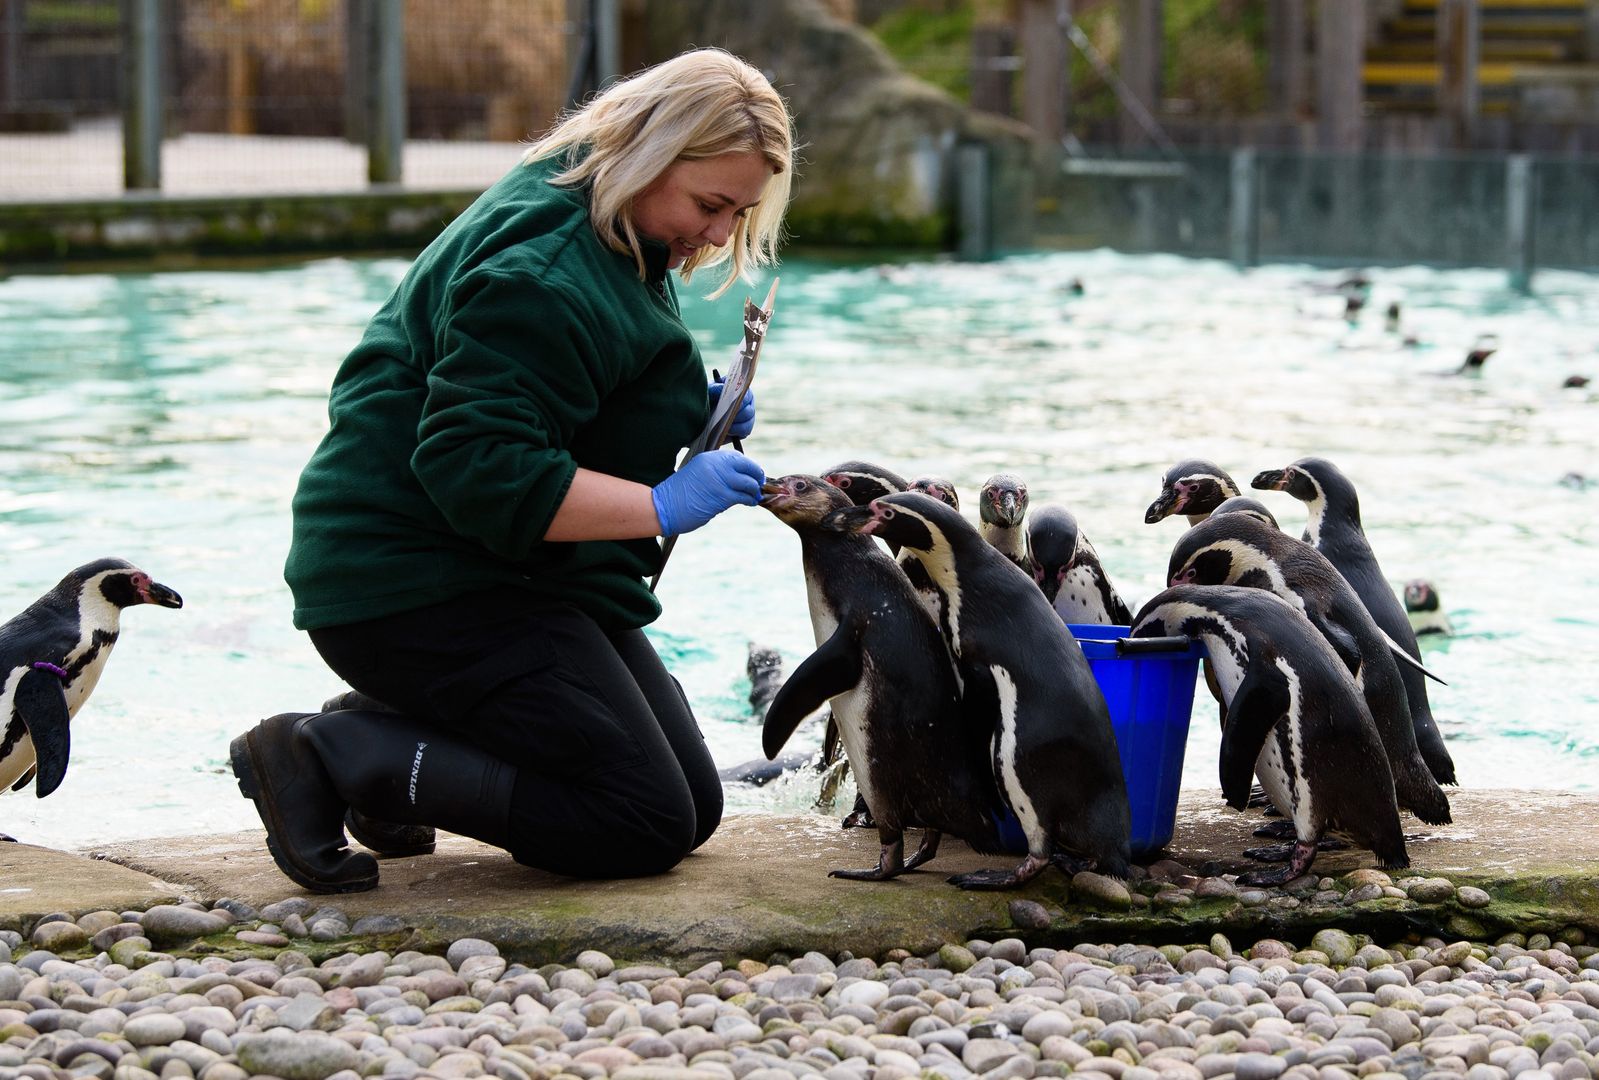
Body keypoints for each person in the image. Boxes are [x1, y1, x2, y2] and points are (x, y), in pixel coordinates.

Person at [228, 48, 794, 894]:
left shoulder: (608, 211)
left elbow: (562, 389)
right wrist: (659, 503)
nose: (718, 235)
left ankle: (395, 735)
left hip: (507, 572)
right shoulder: (542, 272)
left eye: (737, 214)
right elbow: (479, 467)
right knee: (639, 819)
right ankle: (326, 754)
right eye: (710, 205)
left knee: (692, 807)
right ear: (646, 151)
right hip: (415, 587)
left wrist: (689, 413)